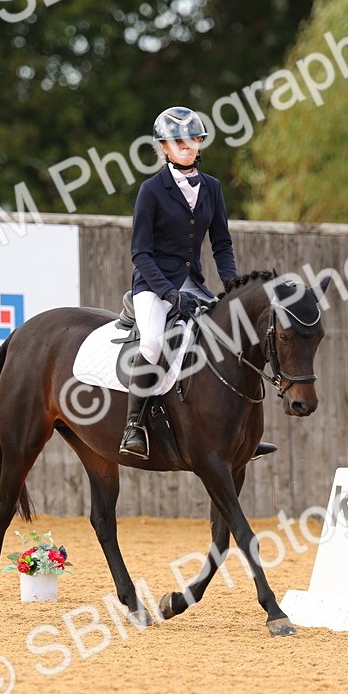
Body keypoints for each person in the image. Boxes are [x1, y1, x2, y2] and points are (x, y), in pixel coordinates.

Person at [119, 106, 241, 459]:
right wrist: (170, 293)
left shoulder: (213, 188)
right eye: (178, 140)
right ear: (165, 147)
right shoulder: (151, 190)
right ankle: (133, 428)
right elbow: (140, 253)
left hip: (193, 284)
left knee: (229, 337)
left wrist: (231, 285)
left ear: (200, 143)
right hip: (153, 285)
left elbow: (221, 244)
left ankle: (236, 432)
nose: (186, 145)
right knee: (154, 345)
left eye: (193, 138)